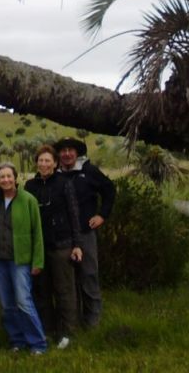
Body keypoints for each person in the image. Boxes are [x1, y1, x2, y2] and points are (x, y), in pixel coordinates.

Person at [24, 144, 83, 349]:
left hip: (62, 244)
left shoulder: (64, 183)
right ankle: (46, 330)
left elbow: (74, 214)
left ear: (55, 163)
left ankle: (67, 332)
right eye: (41, 160)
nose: (44, 164)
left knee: (64, 290)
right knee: (42, 290)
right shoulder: (30, 186)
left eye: (48, 160)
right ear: (37, 163)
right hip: (39, 247)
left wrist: (77, 244)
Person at [55, 136, 116, 328]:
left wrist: (102, 215)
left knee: (89, 274)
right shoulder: (55, 175)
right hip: (64, 236)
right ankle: (71, 320)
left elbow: (109, 190)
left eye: (70, 150)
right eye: (63, 151)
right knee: (69, 280)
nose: (66, 154)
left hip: (85, 232)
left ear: (77, 152)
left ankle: (92, 321)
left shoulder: (88, 171)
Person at [0, 162, 47, 354]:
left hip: (20, 260)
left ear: (15, 177)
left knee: (23, 301)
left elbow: (37, 232)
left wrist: (38, 261)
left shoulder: (28, 199)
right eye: (2, 177)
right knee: (7, 304)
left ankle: (38, 343)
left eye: (9, 176)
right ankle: (17, 340)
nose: (6, 180)